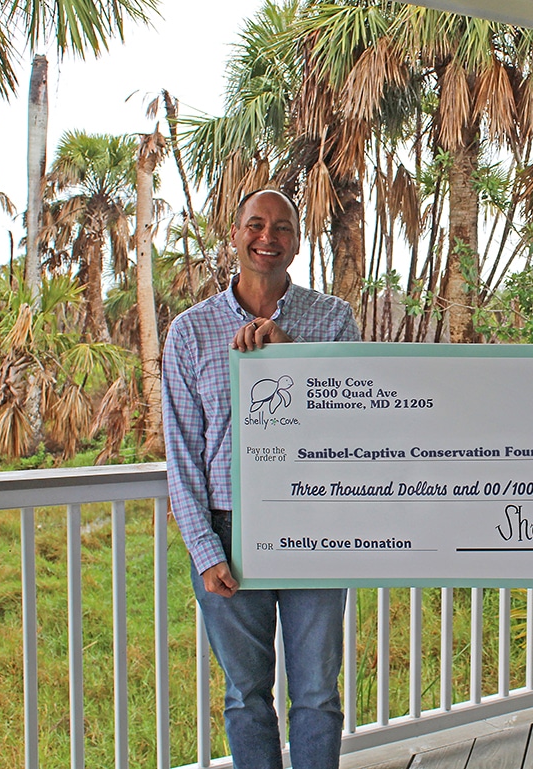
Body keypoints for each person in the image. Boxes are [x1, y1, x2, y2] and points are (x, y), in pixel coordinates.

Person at [162, 188, 361, 769]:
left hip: (314, 527)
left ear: (297, 243)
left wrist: (290, 356)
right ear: (235, 234)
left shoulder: (332, 319)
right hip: (229, 533)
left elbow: (355, 420)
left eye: (281, 227)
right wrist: (205, 550)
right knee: (246, 695)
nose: (267, 237)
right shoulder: (190, 331)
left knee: (317, 693)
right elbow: (183, 453)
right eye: (255, 224)